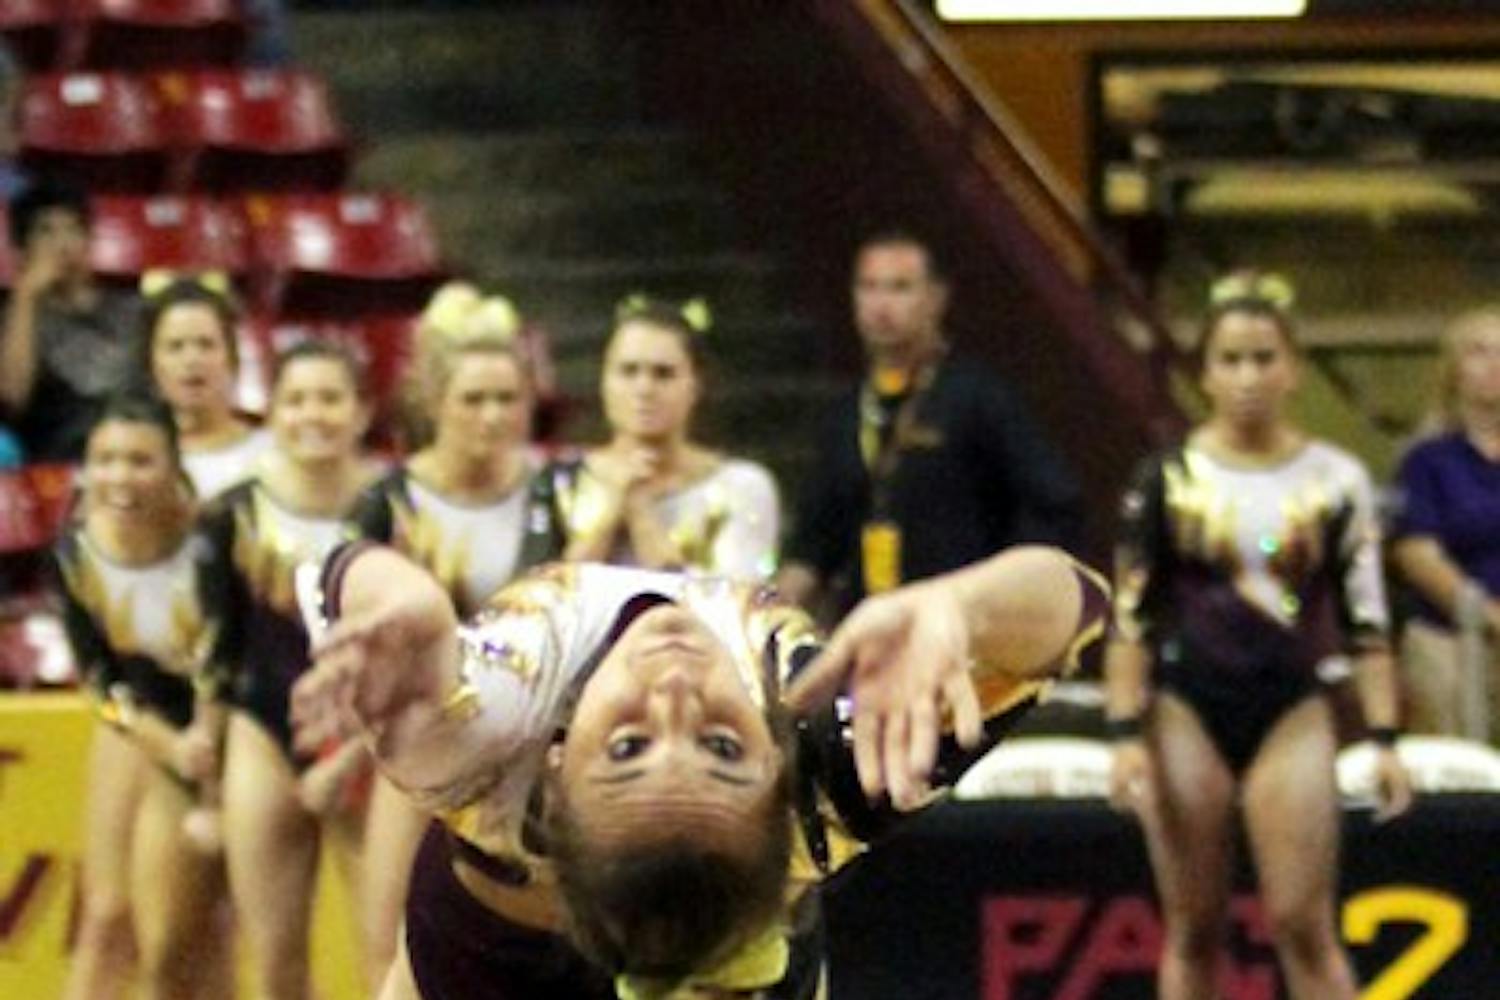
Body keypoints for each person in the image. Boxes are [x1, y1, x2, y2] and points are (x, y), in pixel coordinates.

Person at [288, 539, 1109, 1000]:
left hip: (488, 965)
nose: (675, 695)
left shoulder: (481, 734)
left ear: (557, 763)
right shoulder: (831, 773)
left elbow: (324, 566)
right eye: (723, 747)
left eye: (628, 747)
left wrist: (386, 590)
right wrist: (964, 606)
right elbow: (1082, 604)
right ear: (782, 782)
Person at [1103, 273, 1413, 1000]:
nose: (1248, 377)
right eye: (1231, 360)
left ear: (1293, 369)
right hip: (1187, 705)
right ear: (1205, 374)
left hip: (1292, 705)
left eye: (1264, 358)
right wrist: (1121, 730)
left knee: (1303, 921)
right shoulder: (1169, 476)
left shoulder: (1335, 480)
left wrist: (1386, 737)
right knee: (1193, 924)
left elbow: (1367, 617)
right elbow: (1131, 616)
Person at [348, 284, 562, 980]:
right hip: (418, 740)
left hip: (527, 750)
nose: (492, 416)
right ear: (434, 402)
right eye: (473, 399)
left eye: (508, 399)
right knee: (388, 947)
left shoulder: (562, 492)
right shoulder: (385, 501)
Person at [199, 340, 381, 999]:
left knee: (385, 956)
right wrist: (205, 768)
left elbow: (420, 648)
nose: (314, 414)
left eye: (330, 398)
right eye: (296, 399)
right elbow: (219, 646)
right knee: (274, 963)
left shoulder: (391, 505)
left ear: (362, 411)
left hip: (375, 740)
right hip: (263, 732)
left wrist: (357, 752)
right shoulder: (234, 512)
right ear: (271, 411)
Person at [777, 229, 1081, 620]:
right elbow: (813, 547)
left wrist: (998, 596)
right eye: (868, 287)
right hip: (867, 630)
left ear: (936, 298)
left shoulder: (978, 397)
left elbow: (1056, 506)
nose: (881, 305)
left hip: (963, 631)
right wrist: (767, 617)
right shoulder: (846, 412)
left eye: (900, 288)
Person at [55, 396, 231, 1000]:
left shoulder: (211, 543)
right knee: (104, 915)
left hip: (217, 731)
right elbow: (98, 680)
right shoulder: (76, 552)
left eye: (139, 461)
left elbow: (223, 661)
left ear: (173, 465)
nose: (119, 478)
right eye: (104, 461)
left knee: (179, 944)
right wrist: (163, 741)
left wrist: (199, 751)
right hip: (145, 723)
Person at [557, 294, 779, 580]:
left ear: (696, 384)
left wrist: (641, 514)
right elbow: (537, 600)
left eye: (663, 374)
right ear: (603, 381)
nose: (644, 388)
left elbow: (738, 601)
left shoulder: (743, 486)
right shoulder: (558, 481)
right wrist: (610, 515)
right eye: (628, 371)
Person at [1389, 307, 1500, 739]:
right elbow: (1417, 553)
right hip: (1450, 637)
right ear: (1454, 371)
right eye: (1479, 351)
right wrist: (1488, 616)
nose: (1495, 364)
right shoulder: (1427, 460)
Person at [0, 179, 144, 461]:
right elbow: (11, 399)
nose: (62, 244)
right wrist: (26, 296)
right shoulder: (12, 318)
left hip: (141, 444)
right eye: (46, 232)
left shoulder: (132, 309)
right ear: (21, 250)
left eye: (73, 229)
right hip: (62, 458)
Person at [141, 271, 271, 499]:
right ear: (152, 364)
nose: (192, 360)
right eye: (175, 347)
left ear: (232, 357)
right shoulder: (134, 460)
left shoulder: (272, 453)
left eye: (206, 345)